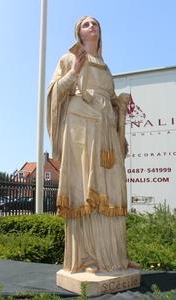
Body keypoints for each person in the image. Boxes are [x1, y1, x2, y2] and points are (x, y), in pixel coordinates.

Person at [47, 16, 139, 273]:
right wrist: (75, 71)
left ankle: (115, 257)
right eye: (86, 24)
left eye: (95, 23)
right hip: (80, 129)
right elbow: (55, 93)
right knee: (84, 188)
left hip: (106, 132)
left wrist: (118, 104)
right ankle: (86, 259)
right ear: (79, 32)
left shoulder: (106, 68)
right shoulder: (68, 58)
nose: (92, 27)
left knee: (112, 191)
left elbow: (109, 99)